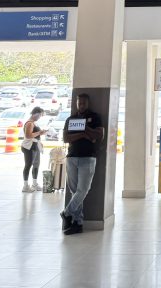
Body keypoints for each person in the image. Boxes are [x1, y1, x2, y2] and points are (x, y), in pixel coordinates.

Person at [61, 93, 104, 235]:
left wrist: (86, 130)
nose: (81, 106)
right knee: (75, 192)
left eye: (84, 103)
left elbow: (99, 136)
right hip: (72, 157)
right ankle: (77, 223)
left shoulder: (95, 117)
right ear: (76, 104)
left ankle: (67, 213)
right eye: (79, 103)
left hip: (88, 158)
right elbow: (66, 138)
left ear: (88, 103)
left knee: (83, 190)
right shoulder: (71, 119)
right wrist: (84, 134)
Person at [21, 107, 46, 192]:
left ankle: (34, 184)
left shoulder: (33, 123)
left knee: (36, 165)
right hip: (29, 147)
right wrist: (39, 132)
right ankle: (25, 186)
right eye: (40, 115)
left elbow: (34, 135)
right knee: (28, 165)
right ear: (36, 114)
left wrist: (39, 136)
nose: (40, 117)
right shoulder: (29, 123)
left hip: (35, 146)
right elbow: (28, 135)